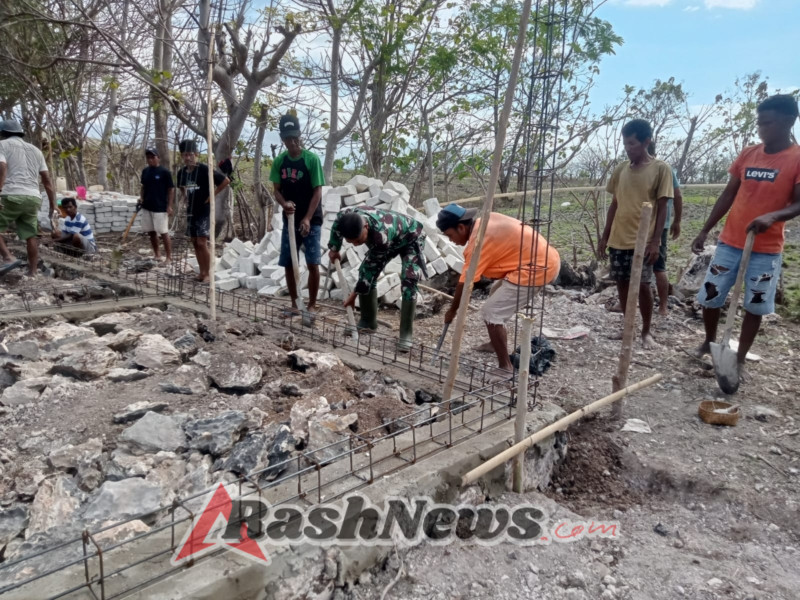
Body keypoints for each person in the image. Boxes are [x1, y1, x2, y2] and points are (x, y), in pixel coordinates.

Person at [692, 94, 800, 383]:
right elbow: (729, 193)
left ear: (789, 121)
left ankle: (739, 359)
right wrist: (705, 229)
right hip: (730, 242)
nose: (761, 129)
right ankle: (709, 342)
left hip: (766, 249)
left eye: (768, 123)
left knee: (755, 303)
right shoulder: (748, 154)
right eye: (759, 123)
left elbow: (799, 203)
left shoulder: (796, 158)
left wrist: (772, 216)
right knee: (711, 295)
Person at [436, 205, 560, 376]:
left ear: (461, 227)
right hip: (544, 258)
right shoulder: (485, 221)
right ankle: (495, 344)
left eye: (450, 235)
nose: (451, 240)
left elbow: (465, 283)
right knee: (495, 292)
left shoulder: (478, 243)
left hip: (538, 269)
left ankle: (505, 367)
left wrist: (452, 310)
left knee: (491, 312)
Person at [599, 119, 673, 348]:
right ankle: (628, 326)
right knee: (621, 283)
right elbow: (614, 204)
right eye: (625, 144)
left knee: (642, 285)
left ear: (646, 142)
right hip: (619, 239)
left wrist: (655, 241)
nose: (628, 148)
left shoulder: (660, 169)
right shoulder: (621, 169)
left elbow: (663, 207)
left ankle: (646, 331)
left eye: (632, 143)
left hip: (643, 240)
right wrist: (605, 236)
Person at [328, 206, 426, 351]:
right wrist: (334, 249)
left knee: (409, 280)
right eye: (351, 241)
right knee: (365, 271)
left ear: (366, 226)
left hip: (411, 237)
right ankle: (368, 322)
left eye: (358, 240)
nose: (355, 244)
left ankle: (406, 334)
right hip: (392, 235)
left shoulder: (381, 235)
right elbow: (336, 230)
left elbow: (370, 272)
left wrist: (353, 296)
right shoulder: (343, 217)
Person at [270, 114, 325, 315]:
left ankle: (312, 305)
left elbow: (318, 191)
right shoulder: (280, 161)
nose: (292, 142)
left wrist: (307, 218)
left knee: (312, 262)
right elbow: (276, 190)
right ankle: (295, 304)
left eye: (295, 137)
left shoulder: (311, 160)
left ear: (300, 136)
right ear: (282, 139)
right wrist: (284, 204)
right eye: (288, 138)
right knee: (289, 261)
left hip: (312, 218)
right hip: (290, 218)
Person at [0, 119, 57, 276]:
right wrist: (53, 205)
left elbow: (2, 166)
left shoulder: (2, 145)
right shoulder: (36, 151)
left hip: (10, 194)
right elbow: (47, 180)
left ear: (3, 133)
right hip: (33, 197)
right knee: (31, 235)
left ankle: (8, 257)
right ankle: (33, 272)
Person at [176, 139, 229, 283]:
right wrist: (185, 196)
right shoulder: (182, 173)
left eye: (190, 154)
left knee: (201, 241)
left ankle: (210, 273)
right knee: (194, 241)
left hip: (204, 209)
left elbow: (225, 181)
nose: (188, 158)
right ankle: (202, 272)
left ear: (196, 154)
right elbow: (180, 186)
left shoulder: (204, 169)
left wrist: (212, 195)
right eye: (185, 155)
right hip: (191, 210)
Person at [653, 163, 682, 316]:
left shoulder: (665, 170)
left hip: (658, 226)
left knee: (658, 266)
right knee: (634, 264)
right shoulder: (633, 167)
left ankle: (663, 305)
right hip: (637, 224)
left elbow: (677, 195)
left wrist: (677, 221)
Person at [139, 147, 174, 262]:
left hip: (160, 207)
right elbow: (143, 186)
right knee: (151, 232)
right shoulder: (145, 171)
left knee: (163, 232)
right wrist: (141, 198)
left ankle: (169, 257)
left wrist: (169, 206)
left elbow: (171, 189)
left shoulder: (165, 172)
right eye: (148, 157)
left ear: (158, 158)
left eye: (152, 157)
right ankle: (157, 254)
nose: (150, 160)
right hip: (147, 206)